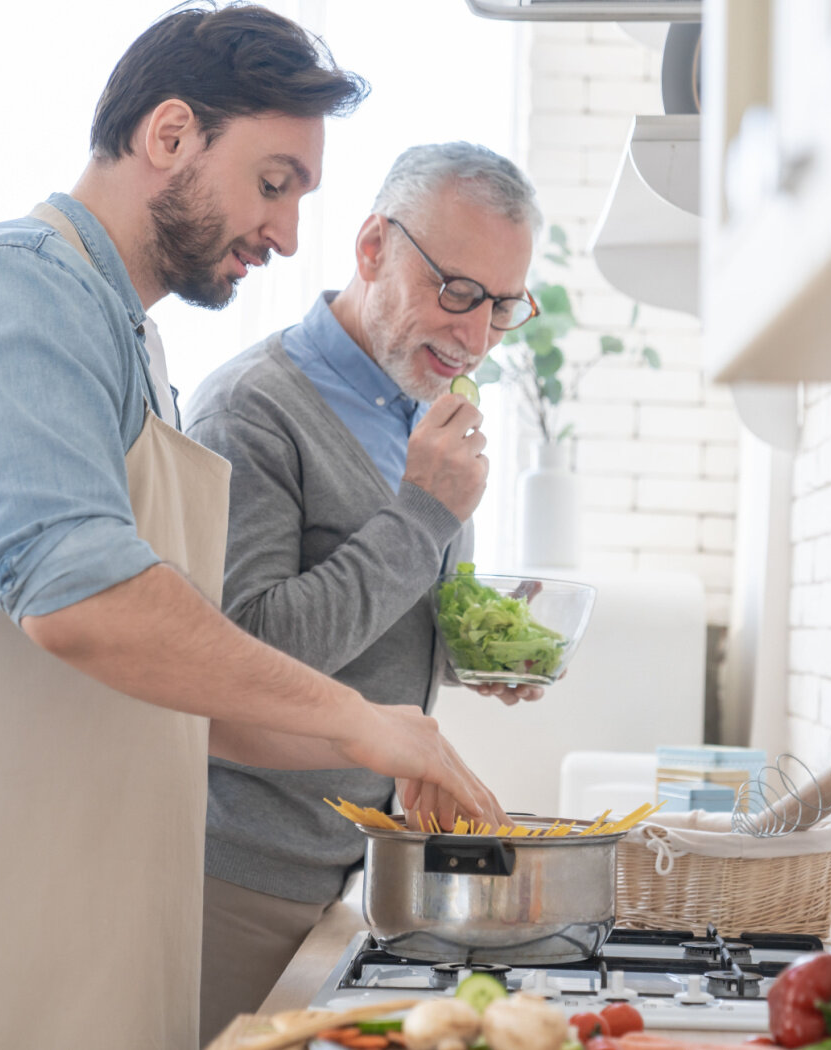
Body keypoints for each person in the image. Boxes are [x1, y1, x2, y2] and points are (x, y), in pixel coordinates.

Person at [0, 10, 504, 1050]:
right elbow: (83, 600)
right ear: (169, 135)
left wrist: (396, 747)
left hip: (68, 888)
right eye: (274, 181)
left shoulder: (128, 340)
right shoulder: (15, 285)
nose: (290, 235)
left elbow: (198, 696)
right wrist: (356, 719)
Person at [184, 142, 545, 1041]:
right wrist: (425, 513)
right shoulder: (253, 411)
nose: (474, 337)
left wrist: (474, 655)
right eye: (457, 291)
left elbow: (375, 618)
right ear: (374, 247)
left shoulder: (416, 404)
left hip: (357, 871)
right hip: (241, 878)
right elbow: (246, 653)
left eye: (501, 308)